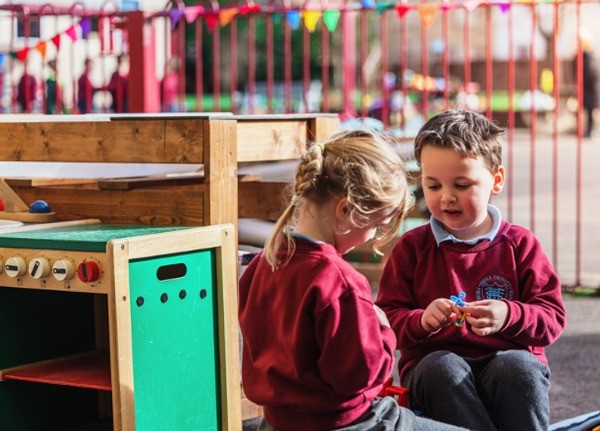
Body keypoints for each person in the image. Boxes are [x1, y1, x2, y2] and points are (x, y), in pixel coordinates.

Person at [239, 129, 468, 431]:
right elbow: (359, 377)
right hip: (347, 422)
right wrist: (383, 331)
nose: (373, 236)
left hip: (280, 420)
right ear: (347, 209)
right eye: (377, 225)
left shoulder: (263, 263)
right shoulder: (340, 282)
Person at [376, 109, 567, 431]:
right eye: (432, 185)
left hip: (509, 361)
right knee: (442, 367)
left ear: (496, 180)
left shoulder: (520, 244)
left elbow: (551, 318)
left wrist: (508, 314)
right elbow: (385, 323)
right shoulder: (412, 247)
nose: (447, 197)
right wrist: (421, 320)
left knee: (518, 366)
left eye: (462, 184)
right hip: (433, 370)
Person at [581, 29, 599, 138]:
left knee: (590, 111)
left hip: (590, 89)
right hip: (589, 89)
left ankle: (590, 130)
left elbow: (590, 73)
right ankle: (589, 130)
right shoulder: (588, 56)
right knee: (588, 112)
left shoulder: (589, 57)